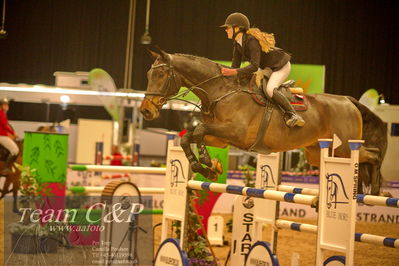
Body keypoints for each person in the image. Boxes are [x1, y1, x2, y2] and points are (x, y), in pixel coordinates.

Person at [220, 12, 305, 128]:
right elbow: (235, 66)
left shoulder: (251, 40)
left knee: (270, 90)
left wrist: (234, 72)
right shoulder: (237, 44)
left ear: (237, 28)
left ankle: (293, 114)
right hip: (267, 67)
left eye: (228, 28)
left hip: (280, 65)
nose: (226, 30)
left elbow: (254, 66)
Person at [0, 98, 19, 174]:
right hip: (1, 135)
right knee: (15, 150)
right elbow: (5, 126)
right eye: (5, 104)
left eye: (7, 104)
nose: (7, 106)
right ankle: (6, 168)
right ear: (2, 106)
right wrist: (13, 133)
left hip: (2, 135)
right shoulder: (2, 113)